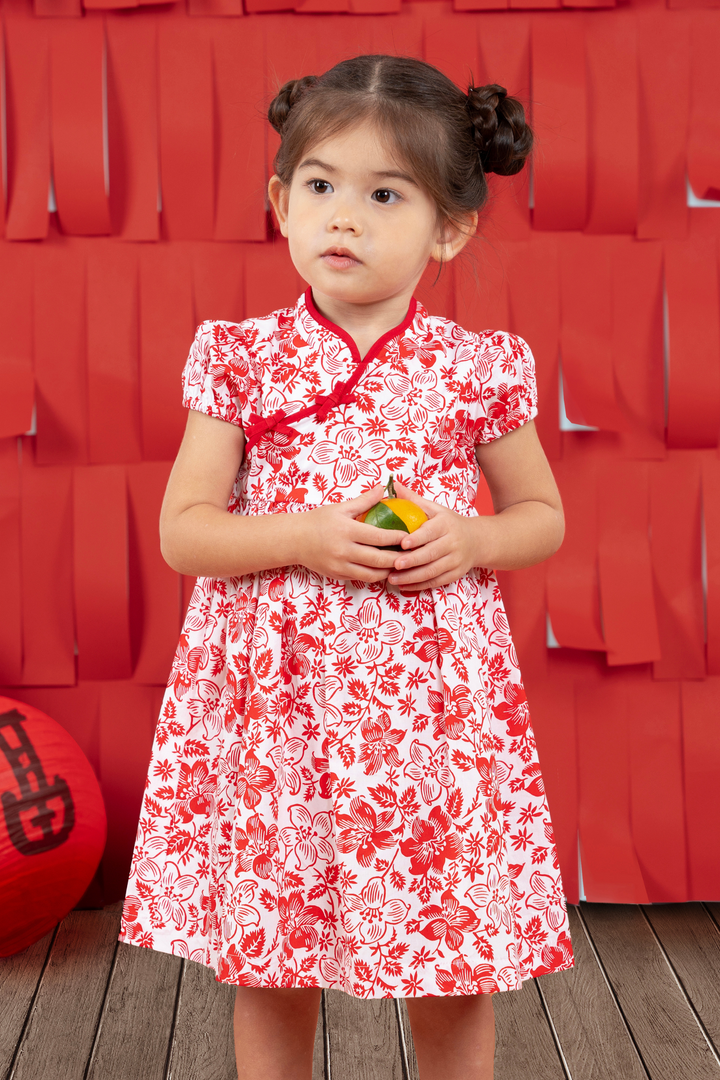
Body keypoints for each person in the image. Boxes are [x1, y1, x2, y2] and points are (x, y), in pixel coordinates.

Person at [119, 54, 574, 1080]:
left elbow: (541, 515)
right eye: (320, 186)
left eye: (384, 195)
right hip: (278, 713)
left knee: (450, 959)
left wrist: (478, 539)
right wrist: (301, 536)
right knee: (274, 959)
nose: (345, 218)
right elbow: (184, 532)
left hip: (429, 716)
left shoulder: (479, 366)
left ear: (450, 228)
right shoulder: (238, 355)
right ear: (281, 200)